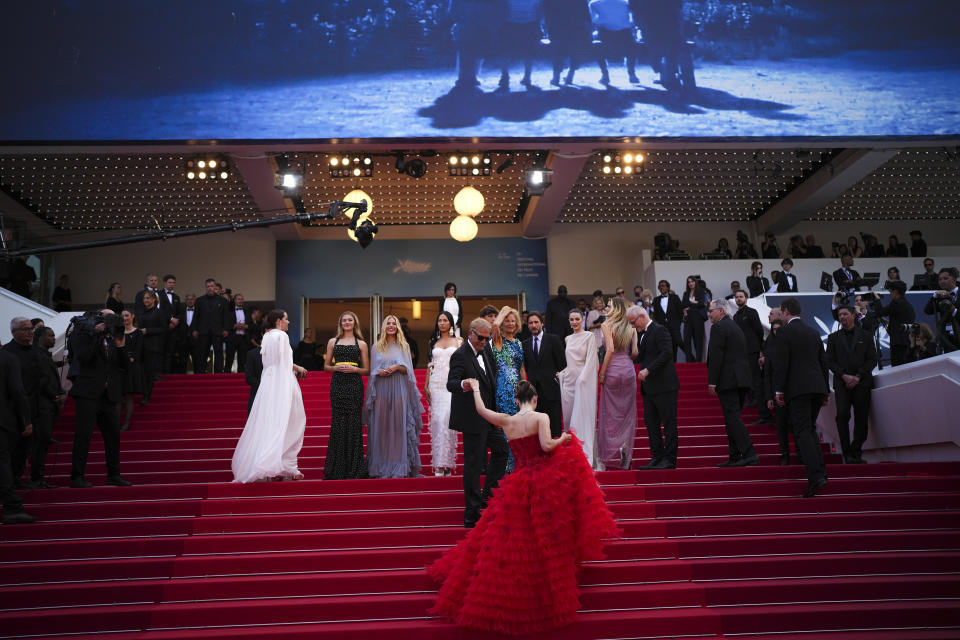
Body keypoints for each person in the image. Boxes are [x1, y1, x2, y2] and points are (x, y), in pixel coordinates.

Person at [427, 380, 619, 635]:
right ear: (536, 398)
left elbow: (483, 412)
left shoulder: (508, 421)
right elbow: (547, 446)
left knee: (512, 537)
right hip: (543, 482)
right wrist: (563, 439)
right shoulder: (541, 417)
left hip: (517, 482)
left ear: (517, 400)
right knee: (545, 535)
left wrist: (475, 390)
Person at [231, 310, 307, 483]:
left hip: (268, 382)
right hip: (282, 381)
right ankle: (283, 465)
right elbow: (284, 363)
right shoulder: (281, 335)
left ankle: (274, 464)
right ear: (279, 321)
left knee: (270, 422)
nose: (289, 322)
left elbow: (271, 362)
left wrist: (295, 367)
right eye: (287, 319)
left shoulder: (267, 336)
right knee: (291, 421)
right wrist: (295, 370)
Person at [447, 317, 507, 528]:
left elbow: (491, 384)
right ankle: (471, 514)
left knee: (502, 450)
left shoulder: (487, 351)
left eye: (486, 338)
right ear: (470, 333)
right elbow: (450, 384)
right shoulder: (460, 355)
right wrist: (464, 383)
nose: (483, 342)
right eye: (480, 338)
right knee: (473, 466)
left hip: (489, 416)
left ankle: (486, 496)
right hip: (471, 419)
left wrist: (496, 416)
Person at [68, 309, 131, 488]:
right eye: (107, 317)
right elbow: (83, 358)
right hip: (87, 393)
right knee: (83, 436)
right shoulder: (82, 334)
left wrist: (120, 343)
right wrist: (96, 334)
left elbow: (124, 365)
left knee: (113, 436)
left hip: (108, 395)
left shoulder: (113, 338)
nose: (111, 321)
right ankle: (77, 476)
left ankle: (114, 474)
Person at [775, 298, 830, 498]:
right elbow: (823, 362)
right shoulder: (813, 332)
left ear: (786, 311)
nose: (780, 315)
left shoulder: (783, 332)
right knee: (810, 430)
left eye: (781, 312)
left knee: (803, 432)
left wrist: (778, 390)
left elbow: (782, 363)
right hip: (817, 388)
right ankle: (821, 473)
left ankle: (816, 477)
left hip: (797, 390)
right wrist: (825, 391)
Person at [364, 315, 423, 479]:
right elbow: (372, 371)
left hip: (398, 389)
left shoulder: (404, 346)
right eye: (388, 323)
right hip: (381, 389)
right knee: (381, 428)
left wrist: (397, 366)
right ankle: (381, 465)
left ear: (397, 327)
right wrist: (379, 371)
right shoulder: (376, 347)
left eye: (393, 323)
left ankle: (399, 465)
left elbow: (409, 372)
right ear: (383, 327)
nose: (391, 326)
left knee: (398, 427)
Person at [706, 300, 759, 467]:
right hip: (742, 380)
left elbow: (716, 355)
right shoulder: (735, 326)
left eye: (711, 310)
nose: (709, 314)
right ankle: (734, 455)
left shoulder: (718, 327)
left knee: (732, 418)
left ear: (721, 311)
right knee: (732, 418)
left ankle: (749, 453)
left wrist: (712, 381)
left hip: (728, 380)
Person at [627, 306, 679, 470]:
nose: (633, 326)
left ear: (642, 316)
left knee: (669, 423)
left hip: (664, 386)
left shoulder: (660, 330)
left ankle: (669, 459)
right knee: (651, 423)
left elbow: (666, 353)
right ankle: (657, 456)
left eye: (634, 322)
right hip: (649, 388)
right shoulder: (642, 334)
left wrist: (649, 369)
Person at [825, 306, 878, 464]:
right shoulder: (833, 337)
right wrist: (844, 376)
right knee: (842, 415)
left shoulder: (867, 336)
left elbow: (872, 359)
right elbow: (829, 360)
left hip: (861, 383)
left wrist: (858, 376)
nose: (842, 317)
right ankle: (846, 453)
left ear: (853, 316)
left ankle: (856, 451)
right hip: (842, 384)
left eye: (845, 314)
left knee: (861, 418)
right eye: (840, 315)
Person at [323, 311, 370, 480]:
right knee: (338, 422)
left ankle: (354, 467)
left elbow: (367, 370)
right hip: (337, 385)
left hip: (355, 385)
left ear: (355, 323)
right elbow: (326, 366)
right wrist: (336, 367)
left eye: (350, 320)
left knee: (353, 423)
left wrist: (355, 369)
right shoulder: (332, 341)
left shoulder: (362, 344)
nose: (347, 322)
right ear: (340, 323)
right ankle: (337, 468)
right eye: (344, 320)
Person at [597, 297, 638, 470]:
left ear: (616, 309)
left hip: (612, 370)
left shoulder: (606, 325)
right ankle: (626, 450)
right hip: (628, 370)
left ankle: (617, 447)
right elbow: (635, 352)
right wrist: (626, 360)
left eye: (609, 306)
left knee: (611, 413)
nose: (606, 308)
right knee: (627, 414)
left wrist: (603, 372)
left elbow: (610, 349)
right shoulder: (631, 326)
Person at [4, 317, 41, 489]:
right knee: (14, 447)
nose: (29, 332)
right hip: (13, 408)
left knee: (27, 447)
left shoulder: (35, 350)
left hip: (35, 405)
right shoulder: (8, 352)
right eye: (25, 329)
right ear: (14, 332)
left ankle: (19, 478)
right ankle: (10, 480)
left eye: (30, 329)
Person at [0, 347, 35, 523]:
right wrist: (26, 420)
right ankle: (11, 508)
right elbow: (17, 391)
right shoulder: (8, 358)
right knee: (3, 461)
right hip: (3, 421)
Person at [560, 308, 598, 467]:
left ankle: (583, 457)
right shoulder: (567, 338)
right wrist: (562, 373)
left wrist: (582, 378)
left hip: (582, 384)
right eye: (571, 319)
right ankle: (571, 456)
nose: (574, 322)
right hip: (568, 383)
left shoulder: (589, 336)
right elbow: (570, 363)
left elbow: (591, 361)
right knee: (569, 421)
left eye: (577, 319)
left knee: (581, 419)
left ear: (582, 319)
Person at [425, 311, 462, 477]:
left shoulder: (459, 341)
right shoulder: (434, 341)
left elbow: (463, 363)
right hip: (436, 385)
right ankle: (440, 465)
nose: (442, 323)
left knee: (447, 420)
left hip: (451, 384)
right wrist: (426, 385)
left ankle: (446, 463)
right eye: (439, 320)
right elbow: (430, 365)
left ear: (451, 323)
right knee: (438, 422)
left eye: (445, 320)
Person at [521, 310, 566, 439]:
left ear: (542, 323)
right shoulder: (525, 344)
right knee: (537, 427)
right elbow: (527, 367)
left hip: (551, 389)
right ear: (527, 325)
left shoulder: (553, 339)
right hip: (534, 392)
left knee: (555, 426)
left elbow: (562, 364)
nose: (533, 325)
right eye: (530, 323)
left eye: (536, 322)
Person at [492, 307, 526, 471]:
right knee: (506, 430)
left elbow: (521, 369)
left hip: (518, 391)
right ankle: (506, 469)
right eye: (507, 320)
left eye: (513, 320)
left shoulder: (519, 343)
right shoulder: (498, 341)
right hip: (503, 390)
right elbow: (494, 327)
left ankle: (516, 467)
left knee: (518, 430)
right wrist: (505, 311)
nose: (510, 323)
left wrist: (525, 390)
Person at [30, 326, 64, 488]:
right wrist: (55, 396)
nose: (53, 338)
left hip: (47, 404)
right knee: (41, 443)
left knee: (43, 443)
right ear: (40, 337)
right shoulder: (37, 355)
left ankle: (39, 478)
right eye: (50, 336)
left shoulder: (43, 355)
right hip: (43, 405)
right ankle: (37, 478)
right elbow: (42, 381)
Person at [732, 290, 771, 425]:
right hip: (741, 354)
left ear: (746, 298)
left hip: (753, 352)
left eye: (741, 296)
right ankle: (753, 399)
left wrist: (759, 349)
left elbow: (759, 331)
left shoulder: (751, 312)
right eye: (736, 297)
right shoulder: (736, 316)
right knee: (748, 381)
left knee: (756, 382)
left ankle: (764, 414)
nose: (738, 299)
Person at [543, 0, 598, 86]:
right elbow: (586, 13)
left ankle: (556, 77)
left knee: (558, 51)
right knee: (575, 49)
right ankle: (570, 75)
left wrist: (547, 27)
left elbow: (547, 11)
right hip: (577, 26)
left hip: (558, 26)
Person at [589, 0, 638, 85]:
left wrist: (603, 20)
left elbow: (592, 20)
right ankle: (632, 74)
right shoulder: (625, 2)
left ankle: (605, 74)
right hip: (625, 33)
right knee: (631, 46)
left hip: (605, 33)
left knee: (597, 45)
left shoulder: (594, 3)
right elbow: (632, 19)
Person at [193, 278, 230, 373]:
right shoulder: (199, 300)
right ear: (205, 287)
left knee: (219, 353)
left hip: (218, 331)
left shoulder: (223, 301)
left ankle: (218, 373)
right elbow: (196, 316)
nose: (210, 288)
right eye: (208, 286)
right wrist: (194, 329)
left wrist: (226, 329)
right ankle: (201, 373)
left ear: (215, 287)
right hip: (203, 331)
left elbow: (226, 317)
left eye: (212, 286)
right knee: (202, 353)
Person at [137, 290, 166, 405]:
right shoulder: (142, 312)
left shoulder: (159, 313)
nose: (146, 300)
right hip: (141, 346)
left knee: (149, 373)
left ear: (154, 299)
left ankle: (146, 396)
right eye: (144, 298)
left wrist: (148, 331)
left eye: (148, 298)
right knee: (141, 372)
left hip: (152, 346)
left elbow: (163, 328)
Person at [877, 281, 915, 366]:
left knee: (897, 368)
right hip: (907, 342)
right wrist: (887, 322)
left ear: (896, 291)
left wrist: (877, 300)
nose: (890, 294)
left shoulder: (896, 302)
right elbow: (901, 321)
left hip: (899, 343)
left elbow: (880, 312)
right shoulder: (907, 304)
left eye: (890, 291)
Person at [923, 267, 959, 352]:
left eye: (945, 278)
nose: (942, 281)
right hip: (946, 338)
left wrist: (953, 310)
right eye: (939, 279)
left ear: (954, 279)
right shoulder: (940, 296)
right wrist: (934, 296)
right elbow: (927, 311)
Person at [119, 310, 143, 431]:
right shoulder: (117, 332)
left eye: (127, 315)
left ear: (132, 316)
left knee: (129, 396)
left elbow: (138, 350)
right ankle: (115, 423)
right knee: (118, 396)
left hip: (131, 368)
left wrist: (130, 359)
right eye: (122, 316)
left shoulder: (138, 332)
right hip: (118, 368)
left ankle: (126, 423)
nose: (124, 318)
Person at [652, 280, 683, 361]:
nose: (662, 287)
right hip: (663, 327)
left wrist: (677, 323)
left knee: (678, 342)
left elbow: (680, 311)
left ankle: (692, 359)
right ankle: (672, 364)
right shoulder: (656, 300)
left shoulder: (675, 297)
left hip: (674, 325)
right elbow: (656, 314)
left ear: (668, 287)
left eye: (663, 285)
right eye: (660, 286)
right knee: (666, 345)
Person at [680, 275, 707, 362]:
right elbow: (683, 305)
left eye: (692, 281)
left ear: (695, 282)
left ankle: (699, 360)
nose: (690, 283)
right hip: (688, 318)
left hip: (698, 317)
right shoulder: (686, 293)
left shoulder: (701, 291)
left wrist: (690, 304)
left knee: (698, 340)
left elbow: (701, 304)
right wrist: (694, 303)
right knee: (686, 339)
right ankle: (689, 361)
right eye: (689, 282)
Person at [225, 293, 252, 373]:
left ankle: (241, 378)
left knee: (243, 360)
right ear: (234, 301)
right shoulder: (229, 311)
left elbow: (251, 324)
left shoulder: (247, 311)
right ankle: (226, 377)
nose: (240, 301)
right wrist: (234, 326)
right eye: (238, 299)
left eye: (242, 299)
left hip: (244, 338)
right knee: (229, 359)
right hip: (232, 337)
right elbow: (225, 323)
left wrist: (246, 326)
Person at [159, 275, 181, 374]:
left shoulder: (176, 297)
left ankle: (168, 373)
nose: (172, 284)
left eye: (173, 283)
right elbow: (160, 311)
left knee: (170, 352)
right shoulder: (158, 295)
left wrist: (176, 321)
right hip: (163, 327)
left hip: (174, 329)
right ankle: (161, 373)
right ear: (164, 283)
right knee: (161, 351)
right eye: (170, 282)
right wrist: (171, 319)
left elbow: (179, 312)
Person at [176, 293, 199, 373]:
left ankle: (197, 381)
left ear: (195, 300)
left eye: (192, 299)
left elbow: (202, 323)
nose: (190, 301)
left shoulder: (199, 311)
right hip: (183, 340)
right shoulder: (180, 311)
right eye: (188, 299)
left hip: (196, 341)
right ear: (185, 301)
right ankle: (182, 382)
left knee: (197, 362)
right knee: (182, 362)